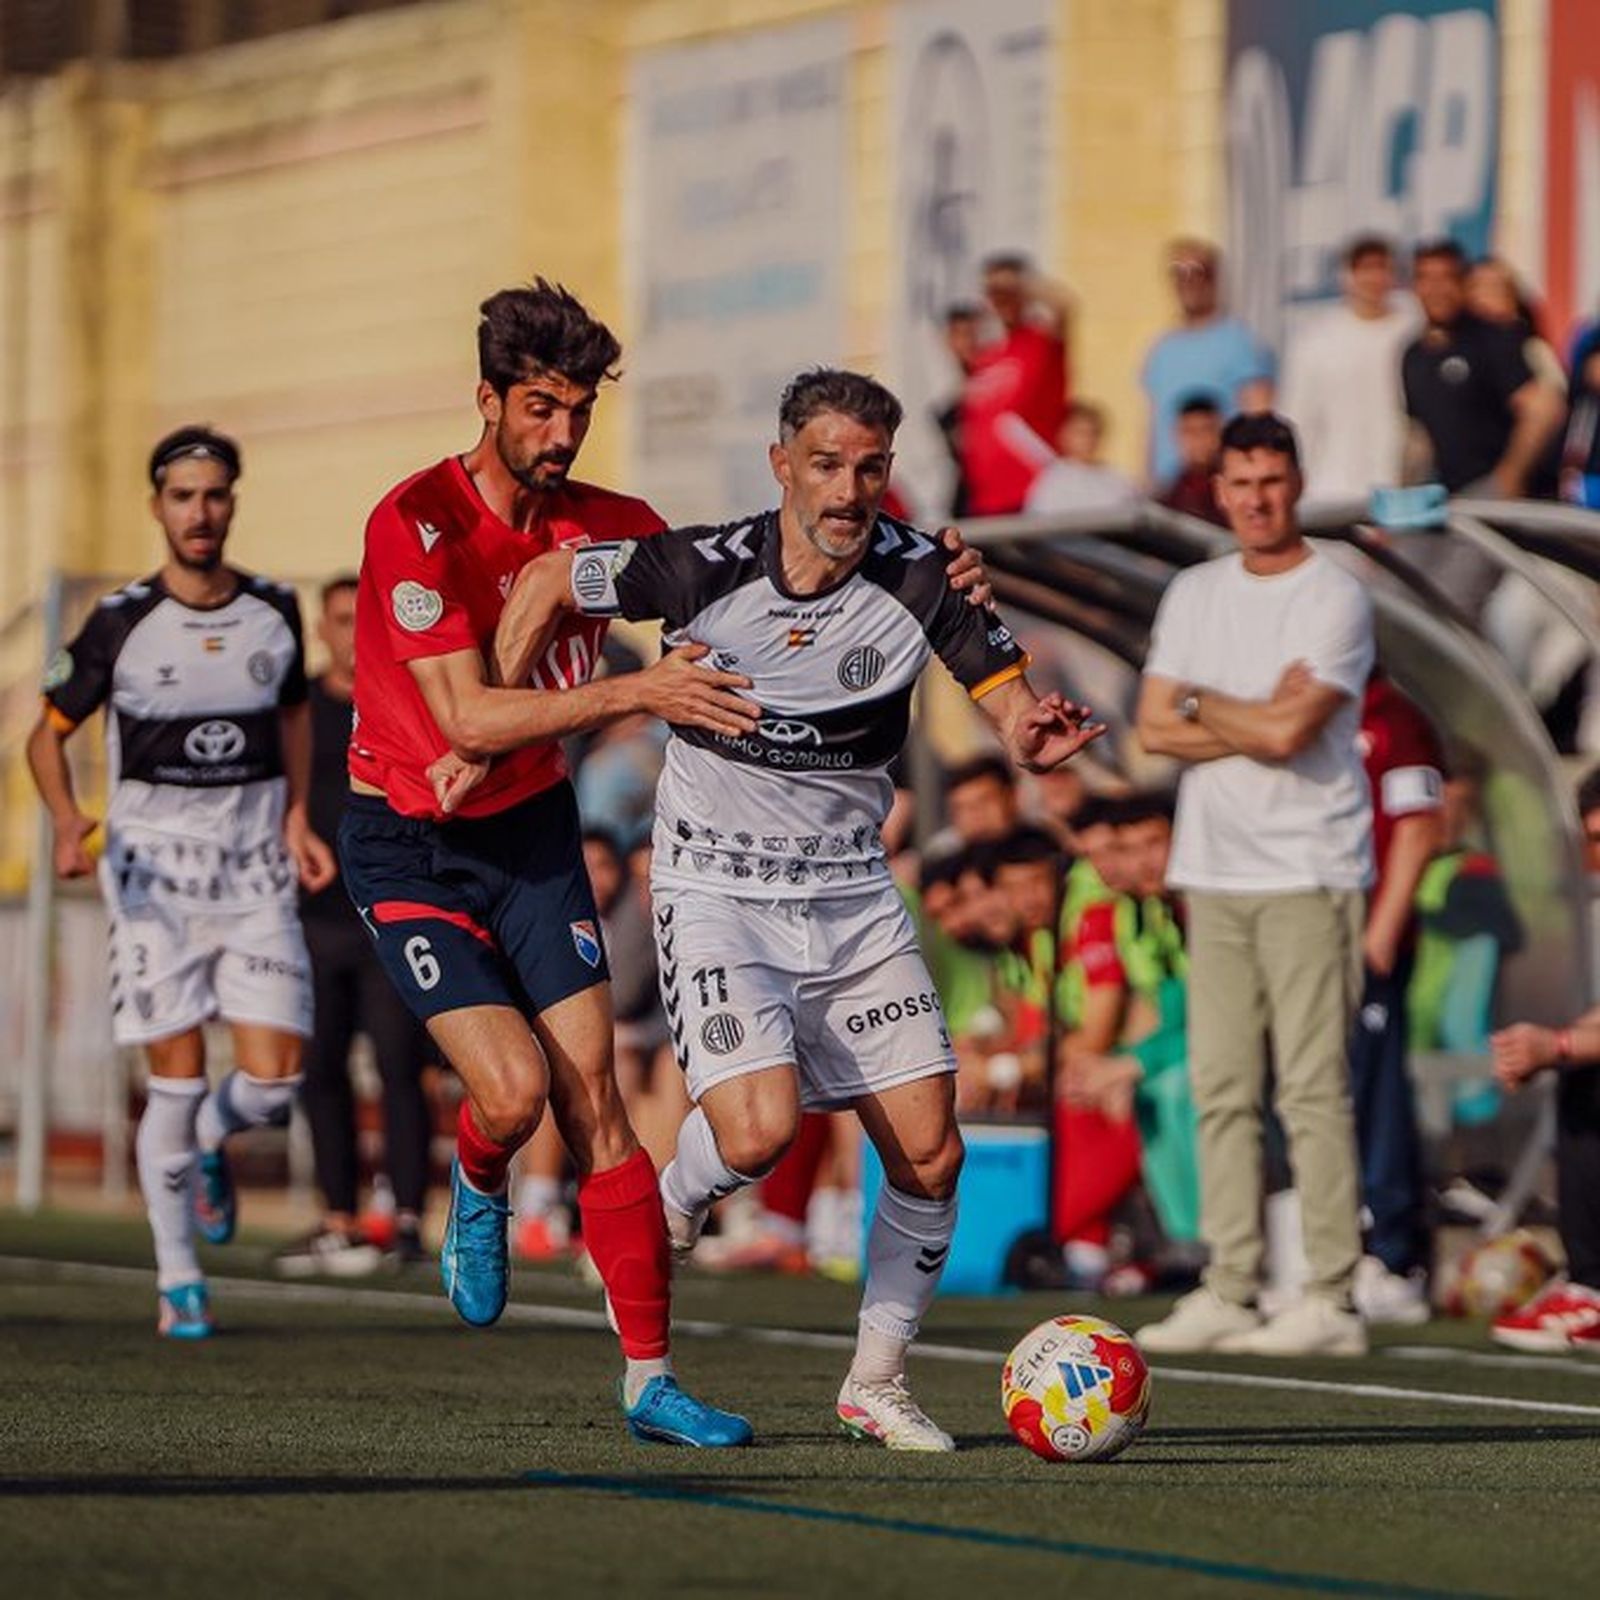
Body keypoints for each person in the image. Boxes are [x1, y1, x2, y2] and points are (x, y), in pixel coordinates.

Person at [337, 284, 991, 1449]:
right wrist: (639, 690)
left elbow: (715, 630)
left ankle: (649, 1380)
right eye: (539, 408)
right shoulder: (416, 523)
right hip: (414, 834)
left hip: (533, 831)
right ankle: (480, 1169)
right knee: (514, 1092)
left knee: (595, 1094)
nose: (561, 433)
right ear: (487, 400)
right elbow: (472, 724)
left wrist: (936, 588)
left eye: (578, 410)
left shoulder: (616, 520)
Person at [490, 366, 1103, 1449]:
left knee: (932, 1151)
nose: (847, 487)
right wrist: (512, 722)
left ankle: (874, 1380)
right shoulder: (696, 566)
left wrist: (1029, 731)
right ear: (783, 465)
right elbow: (545, 579)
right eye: (825, 462)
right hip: (717, 887)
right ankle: (675, 1203)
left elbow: (998, 691)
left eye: (869, 466)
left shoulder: (923, 575)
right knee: (759, 1132)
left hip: (850, 895)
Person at [25, 426, 335, 1338]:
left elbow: (292, 719)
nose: (200, 512)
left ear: (233, 501)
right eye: (182, 497)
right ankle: (178, 1280)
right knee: (177, 1078)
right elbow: (45, 734)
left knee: (278, 1080)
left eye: (215, 495)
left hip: (253, 876)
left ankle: (206, 1145)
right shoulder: (119, 623)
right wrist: (64, 824)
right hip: (155, 882)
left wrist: (294, 815)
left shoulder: (274, 610)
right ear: (158, 506)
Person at [1134, 411, 1375, 1357]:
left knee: (1311, 1089)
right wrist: (1238, 708)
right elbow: (1154, 725)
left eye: (1272, 480)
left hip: (1311, 865)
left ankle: (1331, 1296)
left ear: (1298, 483)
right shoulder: (1194, 590)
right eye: (1241, 482)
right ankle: (1231, 1285)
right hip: (1215, 865)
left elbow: (1289, 736)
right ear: (1220, 489)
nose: (1257, 499)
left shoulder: (1336, 594)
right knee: (1220, 1085)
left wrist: (1203, 701)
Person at [275, 574, 434, 1277]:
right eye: (338, 620)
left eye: (358, 620)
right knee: (321, 1070)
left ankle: (405, 1222)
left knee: (401, 1068)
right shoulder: (298, 708)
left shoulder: (399, 700)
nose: (349, 633)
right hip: (312, 921)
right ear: (320, 629)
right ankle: (338, 1217)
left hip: (387, 918)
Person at [1349, 672, 1445, 1325]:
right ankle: (1343, 1244)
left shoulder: (1395, 717)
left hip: (1369, 934)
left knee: (1378, 1088)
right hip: (1315, 926)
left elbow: (1418, 825)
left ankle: (1396, 1254)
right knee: (1328, 1090)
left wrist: (1382, 927)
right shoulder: (1303, 706)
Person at [1402, 239, 1566, 503]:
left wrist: (1509, 476)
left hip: (1510, 506)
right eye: (1426, 279)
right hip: (1455, 504)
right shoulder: (1413, 356)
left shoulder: (1496, 337)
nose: (1436, 289)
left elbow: (1545, 408)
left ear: (1463, 284)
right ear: (1414, 286)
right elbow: (1420, 440)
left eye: (1446, 278)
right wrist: (1404, 496)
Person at [1279, 235, 1419, 503]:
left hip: (1400, 492)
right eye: (1364, 269)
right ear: (1347, 276)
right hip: (1331, 492)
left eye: (1382, 268)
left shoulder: (1412, 325)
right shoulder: (1315, 340)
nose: (1374, 279)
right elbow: (1298, 418)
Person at [1140, 239, 1274, 489]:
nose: (1189, 281)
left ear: (1214, 277)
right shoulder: (1161, 350)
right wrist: (1147, 482)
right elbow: (1153, 426)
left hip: (1222, 485)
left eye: (1198, 271)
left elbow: (1260, 419)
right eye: (1179, 272)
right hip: (1172, 490)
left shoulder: (1241, 342)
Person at [960, 254, 1072, 515]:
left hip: (1032, 492)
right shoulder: (987, 357)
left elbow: (1064, 306)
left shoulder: (1040, 343)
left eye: (1006, 290)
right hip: (985, 499)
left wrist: (1024, 285)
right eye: (993, 291)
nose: (1000, 299)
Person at [1020, 403, 1141, 516]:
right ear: (1064, 436)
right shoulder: (1052, 480)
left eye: (1093, 433)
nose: (1087, 440)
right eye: (1081, 433)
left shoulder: (1117, 479)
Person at [1154, 396, 1227, 525]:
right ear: (1176, 435)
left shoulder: (1234, 494)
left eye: (1207, 429)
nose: (1199, 439)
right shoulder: (1166, 500)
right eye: (1190, 431)